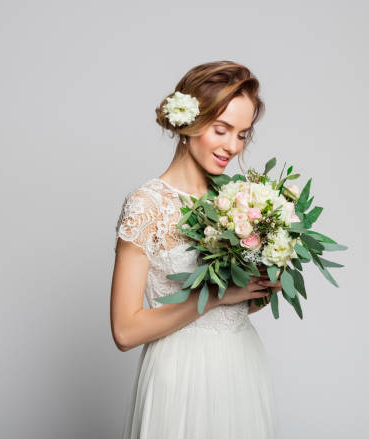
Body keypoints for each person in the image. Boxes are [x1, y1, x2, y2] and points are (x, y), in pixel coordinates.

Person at [110, 61, 283, 438]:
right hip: (181, 374)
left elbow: (241, 303)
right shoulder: (146, 205)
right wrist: (216, 297)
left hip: (240, 365)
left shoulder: (239, 200)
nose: (233, 147)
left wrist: (261, 287)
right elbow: (124, 331)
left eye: (242, 134)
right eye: (222, 130)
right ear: (189, 124)